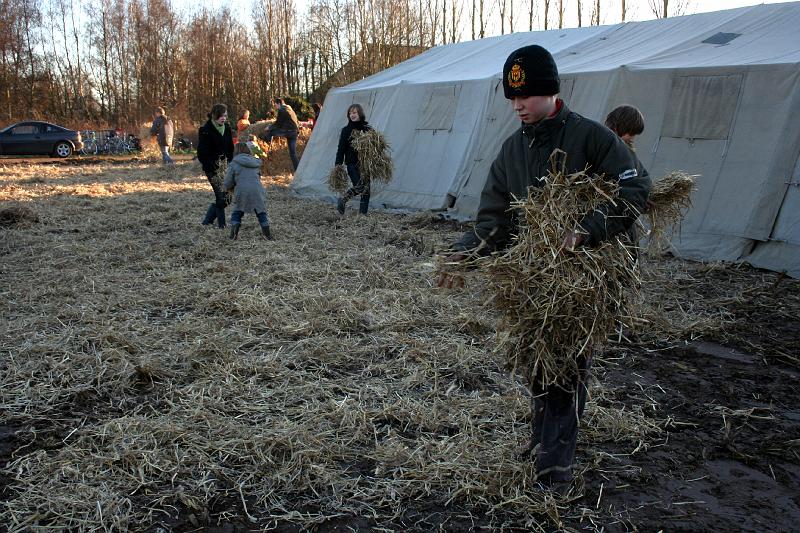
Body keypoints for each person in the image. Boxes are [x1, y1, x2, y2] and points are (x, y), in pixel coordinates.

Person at [437, 45, 651, 489]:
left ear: (551, 92)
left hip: (583, 280)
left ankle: (557, 462)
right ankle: (541, 437)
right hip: (534, 281)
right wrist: (464, 252)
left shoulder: (591, 137)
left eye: (527, 96)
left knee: (568, 366)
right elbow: (494, 219)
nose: (518, 105)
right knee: (538, 360)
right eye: (512, 97)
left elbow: (635, 189)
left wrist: (587, 229)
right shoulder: (512, 150)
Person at [224, 141, 272, 240]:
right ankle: (267, 235)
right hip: (257, 189)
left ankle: (233, 235)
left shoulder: (233, 164)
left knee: (238, 211)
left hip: (242, 190)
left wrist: (228, 187)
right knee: (261, 212)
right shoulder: (255, 162)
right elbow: (258, 177)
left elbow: (228, 181)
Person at [197, 103, 234, 229]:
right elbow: (201, 153)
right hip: (212, 169)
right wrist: (212, 166)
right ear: (214, 115)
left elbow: (230, 149)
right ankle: (222, 226)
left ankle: (207, 221)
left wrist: (231, 163)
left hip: (226, 168)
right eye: (221, 116)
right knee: (221, 196)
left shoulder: (227, 128)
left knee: (228, 198)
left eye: (225, 116)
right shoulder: (205, 130)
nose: (223, 118)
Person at [334, 104, 372, 215]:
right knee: (360, 187)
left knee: (366, 191)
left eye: (354, 112)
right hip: (352, 163)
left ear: (360, 113)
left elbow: (375, 146)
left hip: (365, 164)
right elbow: (341, 148)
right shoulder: (346, 130)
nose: (352, 115)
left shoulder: (367, 130)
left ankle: (362, 216)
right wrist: (338, 163)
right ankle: (343, 199)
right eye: (350, 113)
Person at [260, 97, 300, 170]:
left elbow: (278, 124)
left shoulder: (282, 110)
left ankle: (265, 145)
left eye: (275, 105)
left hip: (287, 131)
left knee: (270, 131)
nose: (275, 107)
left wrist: (269, 127)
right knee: (293, 153)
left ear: (279, 104)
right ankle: (297, 169)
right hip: (294, 132)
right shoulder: (290, 109)